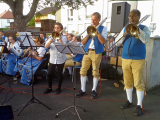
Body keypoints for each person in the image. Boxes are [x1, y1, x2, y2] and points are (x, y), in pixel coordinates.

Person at [117, 9, 150, 116]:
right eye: (129, 16)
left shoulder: (144, 28)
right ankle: (129, 101)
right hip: (125, 58)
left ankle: (139, 105)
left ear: (138, 17)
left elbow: (146, 40)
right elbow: (117, 43)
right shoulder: (125, 28)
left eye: (133, 16)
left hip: (138, 59)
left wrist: (137, 30)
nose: (131, 18)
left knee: (138, 83)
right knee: (127, 81)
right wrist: (124, 33)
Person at [76, 12, 107, 99]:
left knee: (95, 71)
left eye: (94, 19)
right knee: (83, 70)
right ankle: (83, 90)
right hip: (87, 51)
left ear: (99, 20)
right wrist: (88, 34)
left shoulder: (103, 28)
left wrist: (97, 32)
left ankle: (93, 90)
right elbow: (83, 43)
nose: (92, 21)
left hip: (96, 52)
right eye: (92, 19)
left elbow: (103, 41)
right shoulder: (89, 28)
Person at [43, 22, 67, 94]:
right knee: (49, 73)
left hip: (60, 58)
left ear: (61, 29)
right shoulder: (51, 37)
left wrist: (59, 38)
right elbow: (45, 47)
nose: (56, 29)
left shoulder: (64, 37)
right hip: (52, 58)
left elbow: (63, 47)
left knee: (60, 74)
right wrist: (50, 41)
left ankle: (59, 88)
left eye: (58, 28)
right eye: (55, 28)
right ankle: (50, 88)